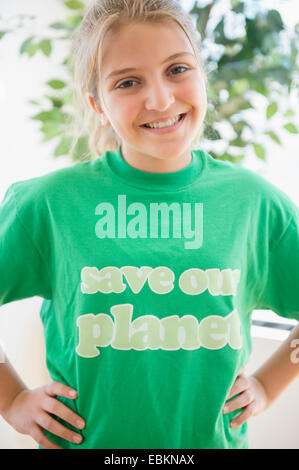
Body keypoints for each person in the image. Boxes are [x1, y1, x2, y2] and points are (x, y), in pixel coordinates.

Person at [0, 0, 298, 450]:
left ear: (202, 75)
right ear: (97, 104)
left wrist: (269, 385)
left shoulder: (255, 204)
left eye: (177, 69)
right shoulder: (48, 204)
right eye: (128, 81)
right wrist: (13, 399)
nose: (160, 99)